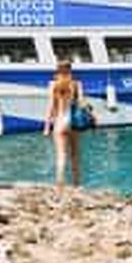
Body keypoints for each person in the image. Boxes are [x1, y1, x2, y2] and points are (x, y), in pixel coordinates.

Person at [43, 59, 84, 190]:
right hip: (72, 121)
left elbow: (51, 106)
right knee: (75, 155)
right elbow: (81, 103)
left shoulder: (53, 84)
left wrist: (47, 126)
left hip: (60, 121)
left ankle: (60, 184)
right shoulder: (76, 84)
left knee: (61, 155)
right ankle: (76, 184)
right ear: (70, 70)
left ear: (57, 70)